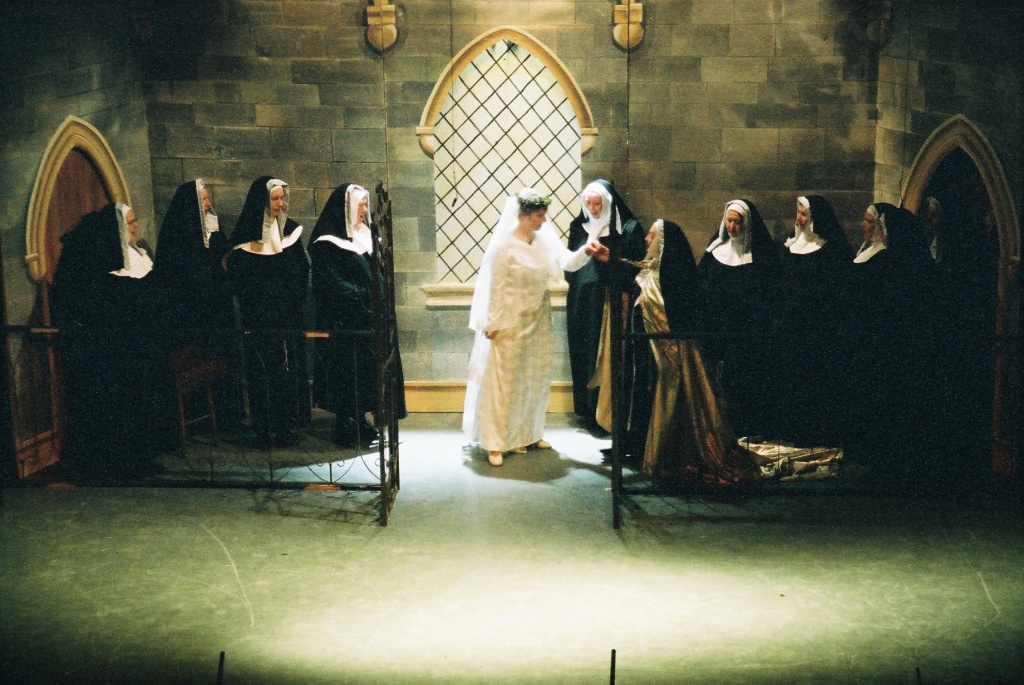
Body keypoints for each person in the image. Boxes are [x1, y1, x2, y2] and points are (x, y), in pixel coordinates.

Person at [631, 219, 842, 484]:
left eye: (651, 236)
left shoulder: (677, 276)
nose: (646, 240)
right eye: (728, 220)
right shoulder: (663, 270)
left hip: (729, 339)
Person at [463, 188, 598, 466]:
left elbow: (566, 262)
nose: (544, 220)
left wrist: (586, 250)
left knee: (533, 379)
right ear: (524, 215)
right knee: (503, 382)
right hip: (509, 322)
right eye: (539, 215)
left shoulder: (544, 240)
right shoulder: (504, 246)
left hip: (537, 319)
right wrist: (492, 322)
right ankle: (495, 442)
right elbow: (496, 287)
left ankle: (528, 434)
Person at [51, 203, 176, 478]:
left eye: (134, 220)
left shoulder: (139, 254)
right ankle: (123, 462)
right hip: (117, 352)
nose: (135, 226)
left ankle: (144, 456)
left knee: (143, 404)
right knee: (122, 407)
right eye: (129, 222)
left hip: (144, 346)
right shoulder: (99, 269)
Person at [309, 183, 407, 449]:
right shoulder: (327, 243)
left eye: (365, 204)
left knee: (366, 374)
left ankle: (361, 419)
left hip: (368, 319)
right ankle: (345, 424)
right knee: (346, 375)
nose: (365, 209)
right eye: (361, 204)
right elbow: (330, 281)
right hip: (345, 321)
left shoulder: (365, 234)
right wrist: (361, 295)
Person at [226, 177, 310, 447]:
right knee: (260, 374)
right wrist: (262, 299)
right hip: (258, 320)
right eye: (274, 199)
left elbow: (301, 269)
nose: (279, 203)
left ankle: (286, 426)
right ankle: (262, 428)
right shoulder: (245, 238)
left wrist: (289, 299)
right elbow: (240, 278)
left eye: (281, 198)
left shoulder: (290, 231)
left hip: (286, 317)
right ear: (262, 201)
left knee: (285, 374)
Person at [153, 179, 241, 428]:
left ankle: (227, 417)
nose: (208, 203)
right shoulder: (177, 237)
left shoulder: (214, 230)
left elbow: (223, 260)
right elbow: (176, 280)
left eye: (207, 198)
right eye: (203, 199)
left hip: (218, 310)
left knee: (223, 362)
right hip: (192, 315)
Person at [564, 180, 647, 431]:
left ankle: (609, 414)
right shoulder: (579, 227)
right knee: (585, 353)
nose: (593, 209)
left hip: (611, 303)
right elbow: (569, 265)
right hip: (582, 303)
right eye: (588, 203)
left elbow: (636, 267)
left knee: (608, 357)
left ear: (608, 203)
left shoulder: (628, 229)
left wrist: (609, 259)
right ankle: (588, 410)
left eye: (598, 204)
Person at [773, 195, 853, 446]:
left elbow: (837, 288)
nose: (799, 218)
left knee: (816, 380)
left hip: (818, 327)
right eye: (798, 213)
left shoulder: (830, 249)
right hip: (792, 326)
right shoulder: (791, 245)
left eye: (804, 214)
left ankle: (818, 432)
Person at [696, 199, 779, 438]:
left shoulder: (760, 257)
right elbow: (700, 286)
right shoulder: (715, 251)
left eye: (737, 222)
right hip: (716, 331)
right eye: (729, 221)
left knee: (744, 382)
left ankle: (745, 428)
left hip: (746, 333)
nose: (732, 227)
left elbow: (768, 295)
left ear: (746, 224)